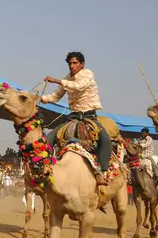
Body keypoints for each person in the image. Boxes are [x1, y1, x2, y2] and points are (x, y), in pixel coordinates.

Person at [40, 51, 111, 186]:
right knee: (48, 139)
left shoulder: (88, 74)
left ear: (82, 64)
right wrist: (40, 98)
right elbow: (55, 96)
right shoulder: (67, 78)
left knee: (105, 140)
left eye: (75, 63)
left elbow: (79, 86)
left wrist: (55, 80)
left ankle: (103, 171)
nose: (72, 66)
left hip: (89, 117)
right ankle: (45, 169)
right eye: (70, 63)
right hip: (73, 117)